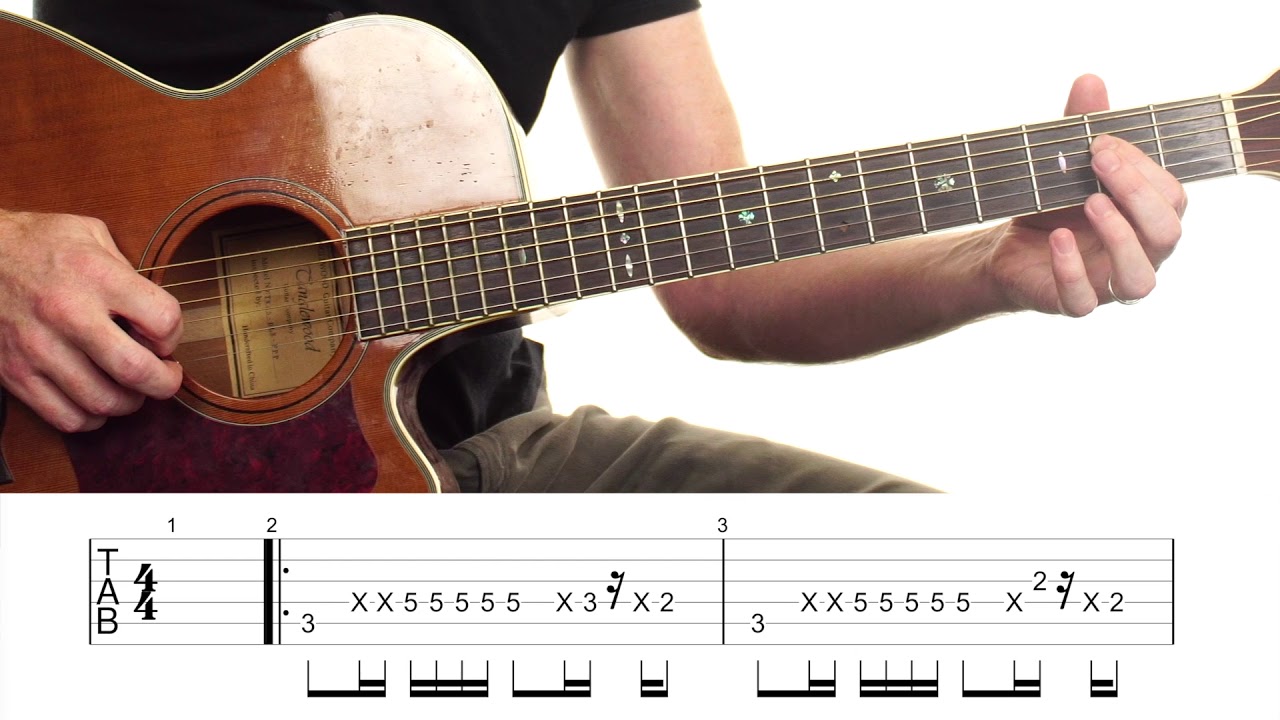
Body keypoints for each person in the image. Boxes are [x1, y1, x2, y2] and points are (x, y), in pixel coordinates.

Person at [0, 1, 1186, 491]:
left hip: (455, 453)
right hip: (66, 478)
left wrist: (982, 267)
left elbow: (723, 279)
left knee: (967, 588)